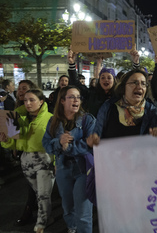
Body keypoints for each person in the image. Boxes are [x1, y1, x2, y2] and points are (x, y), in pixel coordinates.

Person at [43, 86, 95, 233]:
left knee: (83, 211)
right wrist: (59, 142)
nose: (76, 100)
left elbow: (91, 144)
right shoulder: (53, 121)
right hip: (62, 169)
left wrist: (69, 147)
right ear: (62, 101)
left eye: (78, 97)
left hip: (83, 170)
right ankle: (72, 229)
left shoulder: (88, 120)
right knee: (67, 207)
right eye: (71, 97)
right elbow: (46, 144)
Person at [0, 89, 54, 233]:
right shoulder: (18, 118)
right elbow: (14, 143)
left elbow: (56, 143)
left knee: (43, 194)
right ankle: (48, 216)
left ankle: (41, 223)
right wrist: (5, 141)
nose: (28, 103)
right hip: (26, 161)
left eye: (32, 100)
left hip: (45, 160)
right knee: (39, 193)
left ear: (41, 101)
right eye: (25, 101)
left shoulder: (51, 118)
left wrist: (55, 163)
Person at [86, 69, 157, 144]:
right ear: (124, 87)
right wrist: (94, 140)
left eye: (143, 84)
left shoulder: (153, 112)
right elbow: (97, 134)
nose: (139, 87)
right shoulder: (108, 107)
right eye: (135, 82)